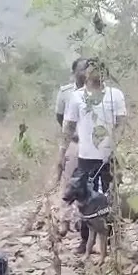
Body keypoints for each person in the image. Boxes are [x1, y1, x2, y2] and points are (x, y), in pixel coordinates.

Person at [58, 58, 127, 254]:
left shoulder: (115, 95)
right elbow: (68, 127)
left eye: (99, 69)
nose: (95, 72)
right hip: (85, 158)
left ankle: (112, 243)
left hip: (108, 157)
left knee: (109, 200)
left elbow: (121, 123)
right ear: (85, 73)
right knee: (85, 201)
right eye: (91, 69)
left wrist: (114, 143)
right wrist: (61, 153)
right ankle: (85, 241)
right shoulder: (76, 97)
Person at [54, 58, 88, 237]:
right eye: (82, 69)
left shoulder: (98, 92)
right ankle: (64, 220)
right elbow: (61, 118)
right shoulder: (66, 93)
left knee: (89, 184)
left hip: (92, 145)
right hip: (74, 143)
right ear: (74, 72)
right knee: (68, 182)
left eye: (88, 69)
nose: (85, 72)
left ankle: (83, 221)